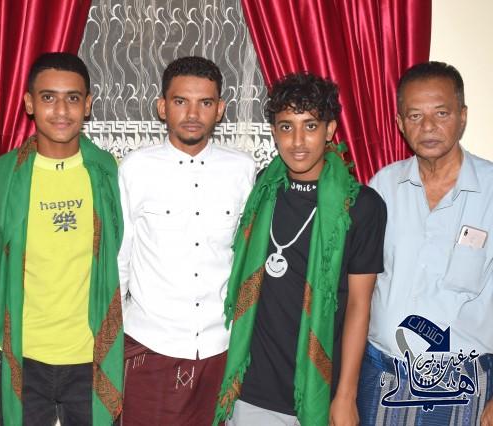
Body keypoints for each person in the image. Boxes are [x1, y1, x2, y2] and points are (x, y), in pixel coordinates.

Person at [214, 72, 387, 426]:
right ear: (274, 132)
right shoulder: (262, 190)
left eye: (310, 126)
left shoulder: (361, 205)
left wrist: (346, 394)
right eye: (286, 127)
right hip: (254, 388)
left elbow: (359, 305)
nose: (297, 141)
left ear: (330, 129)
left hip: (321, 386)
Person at [118, 56, 256, 425]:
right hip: (149, 345)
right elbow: (120, 261)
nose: (193, 114)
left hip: (219, 347)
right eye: (181, 101)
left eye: (205, 103)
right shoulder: (135, 168)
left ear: (220, 109)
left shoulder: (243, 170)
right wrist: (114, 345)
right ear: (162, 107)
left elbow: (247, 258)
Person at [0, 52, 123, 426]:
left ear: (88, 104)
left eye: (73, 98)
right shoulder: (1, 177)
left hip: (90, 357)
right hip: (24, 357)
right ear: (29, 103)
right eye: (48, 97)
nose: (61, 110)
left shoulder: (107, 174)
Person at [358, 61, 493, 425]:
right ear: (400, 123)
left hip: (463, 384)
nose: (428, 126)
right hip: (382, 374)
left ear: (463, 116)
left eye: (441, 113)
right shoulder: (382, 188)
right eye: (415, 116)